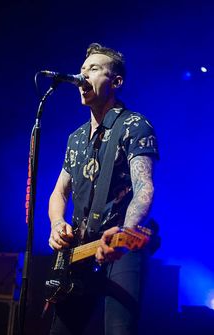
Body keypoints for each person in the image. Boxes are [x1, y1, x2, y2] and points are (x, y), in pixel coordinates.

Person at [48, 42, 159, 335]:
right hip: (78, 253)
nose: (83, 77)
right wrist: (57, 223)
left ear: (116, 82)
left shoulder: (135, 125)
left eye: (94, 70)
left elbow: (144, 187)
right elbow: (59, 192)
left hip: (120, 246)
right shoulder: (76, 138)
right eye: (82, 70)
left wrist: (127, 229)